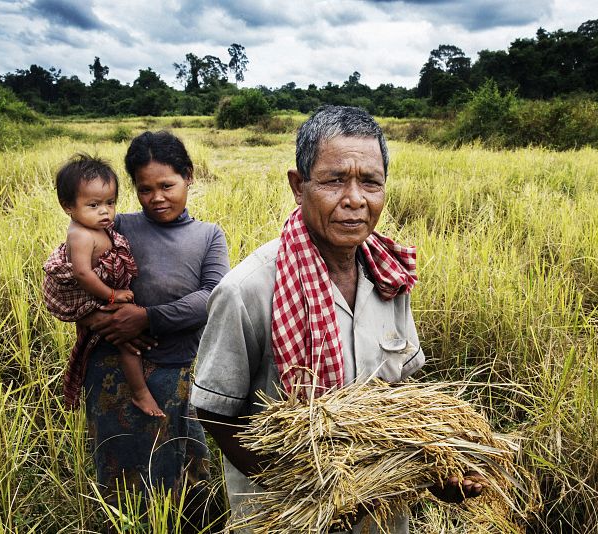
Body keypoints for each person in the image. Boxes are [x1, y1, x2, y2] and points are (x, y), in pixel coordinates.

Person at [192, 106, 485, 533]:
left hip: (381, 514)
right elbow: (215, 412)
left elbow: (403, 397)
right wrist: (309, 492)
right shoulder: (248, 290)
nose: (354, 199)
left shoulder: (390, 279)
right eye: (333, 180)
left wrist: (436, 472)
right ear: (298, 186)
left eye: (370, 181)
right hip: (288, 515)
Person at [73, 131, 229, 530]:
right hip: (112, 368)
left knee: (177, 466)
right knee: (120, 472)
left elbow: (212, 297)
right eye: (145, 189)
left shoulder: (208, 235)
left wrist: (146, 317)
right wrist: (102, 321)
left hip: (174, 368)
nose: (157, 197)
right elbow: (71, 280)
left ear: (189, 177)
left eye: (167, 185)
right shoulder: (116, 228)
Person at [42, 153, 165, 417]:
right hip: (88, 294)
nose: (105, 211)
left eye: (110, 203)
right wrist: (112, 295)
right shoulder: (80, 235)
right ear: (68, 206)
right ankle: (140, 393)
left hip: (98, 291)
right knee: (127, 340)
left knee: (112, 336)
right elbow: (84, 275)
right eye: (94, 205)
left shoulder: (98, 227)